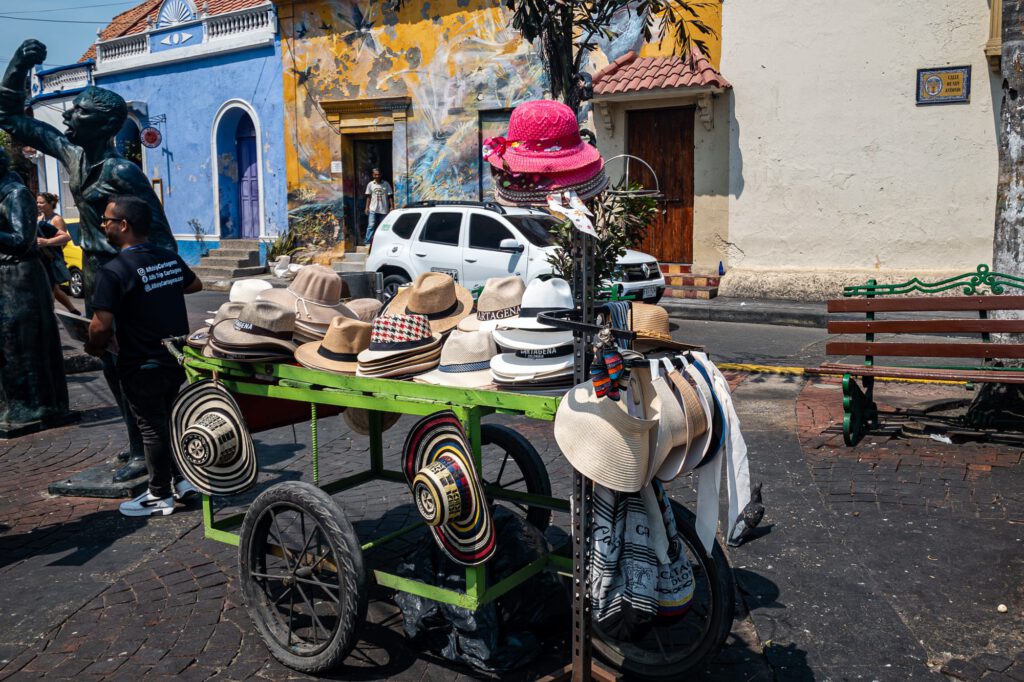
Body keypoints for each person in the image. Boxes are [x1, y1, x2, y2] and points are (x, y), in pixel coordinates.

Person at [0, 39, 175, 475]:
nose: (67, 116)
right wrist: (20, 64)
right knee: (110, 363)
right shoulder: (74, 155)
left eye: (76, 112)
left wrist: (150, 280)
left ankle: (151, 450)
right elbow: (9, 118)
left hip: (127, 277)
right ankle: (139, 442)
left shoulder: (123, 172)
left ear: (101, 124)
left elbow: (162, 237)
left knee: (134, 364)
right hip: (99, 274)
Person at [85, 196, 203, 517]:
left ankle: (159, 495)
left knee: (152, 428)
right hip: (175, 357)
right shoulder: (167, 257)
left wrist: (93, 345)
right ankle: (182, 482)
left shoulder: (113, 271)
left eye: (107, 220)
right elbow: (195, 284)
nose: (103, 225)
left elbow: (100, 326)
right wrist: (158, 290)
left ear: (123, 226)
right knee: (169, 421)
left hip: (141, 362)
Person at [0, 149, 69, 430]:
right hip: (6, 274)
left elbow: (22, 240)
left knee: (25, 340)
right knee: (9, 343)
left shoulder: (16, 194)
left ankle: (37, 405)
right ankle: (17, 403)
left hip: (21, 276)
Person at [36, 192, 80, 315]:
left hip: (52, 257)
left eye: (41, 202)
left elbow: (64, 239)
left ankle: (49, 314)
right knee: (55, 288)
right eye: (37, 202)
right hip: (43, 257)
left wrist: (47, 243)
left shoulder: (57, 219)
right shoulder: (40, 219)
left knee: (51, 288)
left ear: (51, 204)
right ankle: (74, 310)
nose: (38, 204)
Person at [363, 167, 393, 246]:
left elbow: (390, 196)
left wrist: (391, 206)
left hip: (383, 209)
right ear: (373, 175)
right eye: (375, 175)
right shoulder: (370, 184)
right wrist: (366, 207)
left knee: (384, 227)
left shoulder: (386, 184)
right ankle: (367, 242)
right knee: (371, 226)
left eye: (378, 174)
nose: (377, 176)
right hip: (373, 209)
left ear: (381, 175)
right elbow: (368, 197)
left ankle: (383, 242)